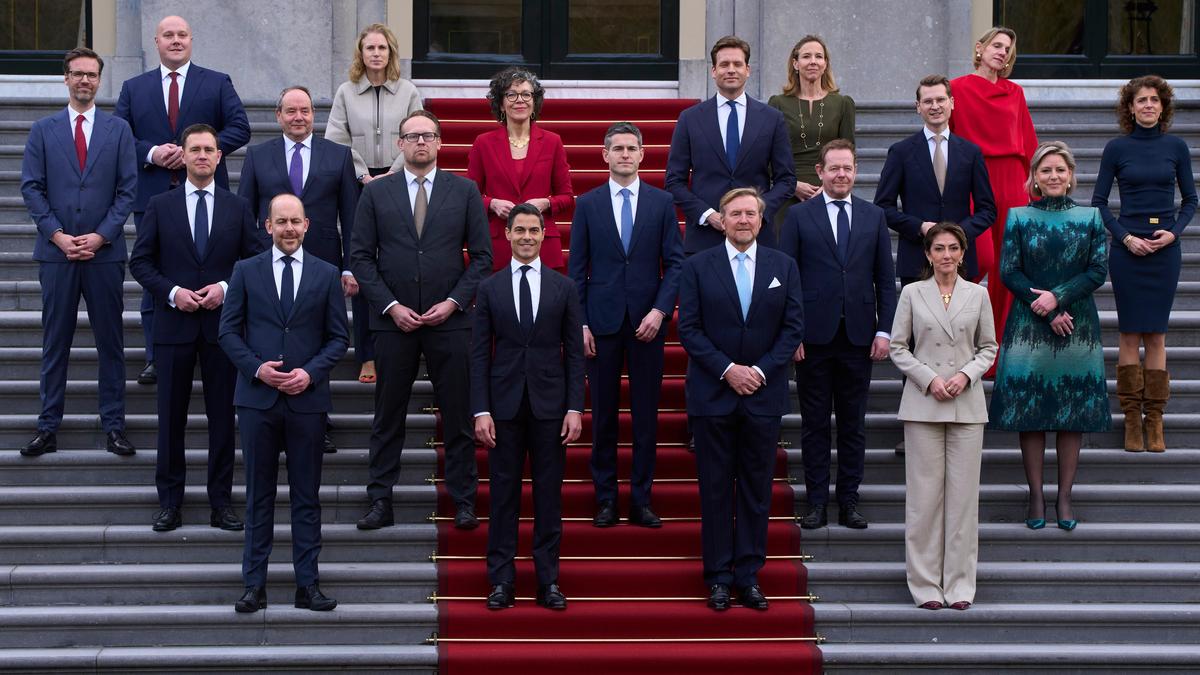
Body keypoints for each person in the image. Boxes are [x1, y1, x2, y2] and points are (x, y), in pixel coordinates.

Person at [349, 111, 492, 531]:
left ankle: (464, 500)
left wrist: (453, 302)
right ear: (400, 144)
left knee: (459, 415)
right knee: (387, 416)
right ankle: (380, 501)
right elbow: (360, 257)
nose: (421, 143)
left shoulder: (465, 191)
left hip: (450, 322)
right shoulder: (376, 194)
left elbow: (481, 258)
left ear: (440, 143)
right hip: (394, 323)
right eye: (412, 137)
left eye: (428, 136)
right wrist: (391, 306)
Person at [129, 123, 265, 533]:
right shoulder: (160, 205)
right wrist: (172, 293)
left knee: (223, 419)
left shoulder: (237, 207)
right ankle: (170, 502)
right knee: (171, 419)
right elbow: (141, 263)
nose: (203, 155)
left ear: (220, 157)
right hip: (173, 328)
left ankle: (220, 502)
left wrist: (225, 287)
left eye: (210, 149)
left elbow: (255, 259)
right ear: (183, 156)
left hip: (223, 331)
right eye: (196, 149)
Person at [220, 194, 349, 614]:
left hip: (307, 402)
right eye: (282, 221)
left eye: (296, 221)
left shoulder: (327, 273)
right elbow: (228, 333)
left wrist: (309, 373)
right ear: (267, 225)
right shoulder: (245, 271)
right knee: (258, 495)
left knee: (306, 497)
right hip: (258, 401)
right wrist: (259, 370)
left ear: (307, 225)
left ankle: (307, 585)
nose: (289, 228)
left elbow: (338, 338)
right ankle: (253, 585)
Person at [677, 187, 804, 612]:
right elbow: (689, 329)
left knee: (755, 490)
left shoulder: (783, 266)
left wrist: (761, 372)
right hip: (713, 395)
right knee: (714, 490)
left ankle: (748, 575)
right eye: (735, 214)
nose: (744, 220)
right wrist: (728, 370)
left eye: (751, 213)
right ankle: (717, 577)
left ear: (762, 220)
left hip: (763, 396)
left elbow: (792, 329)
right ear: (723, 220)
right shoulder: (696, 266)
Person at [115, 15, 251, 386]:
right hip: (153, 194)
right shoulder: (133, 87)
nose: (176, 41)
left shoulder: (217, 82)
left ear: (192, 40)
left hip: (209, 194)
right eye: (168, 35)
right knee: (154, 274)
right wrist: (154, 153)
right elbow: (119, 135)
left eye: (182, 35)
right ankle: (156, 356)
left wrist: (200, 152)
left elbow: (240, 127)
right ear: (156, 42)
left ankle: (217, 345)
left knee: (211, 267)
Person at [19, 47, 137, 458]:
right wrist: (58, 236)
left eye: (91, 74)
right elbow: (31, 187)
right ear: (65, 79)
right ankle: (47, 426)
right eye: (77, 74)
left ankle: (115, 426)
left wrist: (101, 236)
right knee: (55, 343)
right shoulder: (43, 130)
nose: (84, 80)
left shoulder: (118, 130)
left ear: (99, 80)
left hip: (104, 256)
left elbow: (127, 190)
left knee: (111, 343)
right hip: (57, 255)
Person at [569, 122, 684, 528]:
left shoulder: (661, 202)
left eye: (630, 148)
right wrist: (580, 323)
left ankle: (641, 499)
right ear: (605, 155)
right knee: (602, 416)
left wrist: (659, 311)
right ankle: (605, 499)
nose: (623, 154)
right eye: (616, 148)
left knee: (645, 417)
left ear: (642, 154)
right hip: (599, 325)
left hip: (647, 324)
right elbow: (576, 268)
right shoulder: (588, 204)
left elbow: (675, 264)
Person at [989, 141, 1108, 532]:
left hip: (1078, 324)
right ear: (1034, 178)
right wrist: (1046, 306)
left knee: (1072, 412)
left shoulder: (1090, 217)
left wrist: (1059, 298)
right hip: (1029, 323)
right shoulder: (1019, 217)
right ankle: (1037, 493)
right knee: (1032, 412)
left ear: (1071, 175)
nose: (1053, 176)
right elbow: (1009, 271)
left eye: (1060, 170)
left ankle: (1065, 496)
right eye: (1046, 171)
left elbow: (1097, 270)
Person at [778, 139, 896, 531]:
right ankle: (815, 503)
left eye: (847, 168)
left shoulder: (873, 216)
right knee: (813, 424)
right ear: (821, 172)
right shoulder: (797, 216)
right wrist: (790, 333)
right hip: (812, 336)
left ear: (855, 170)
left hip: (860, 336)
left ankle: (849, 501)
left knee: (852, 423)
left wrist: (884, 330)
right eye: (834, 168)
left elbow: (884, 279)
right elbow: (786, 279)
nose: (841, 174)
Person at [472, 203, 585, 611]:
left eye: (533, 230)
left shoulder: (564, 288)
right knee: (502, 497)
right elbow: (479, 355)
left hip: (551, 408)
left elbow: (574, 353)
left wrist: (575, 407)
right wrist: (480, 410)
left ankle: (548, 581)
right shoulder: (488, 288)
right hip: (501, 409)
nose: (525, 237)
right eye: (518, 230)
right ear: (506, 235)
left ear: (543, 234)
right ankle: (501, 581)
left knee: (548, 498)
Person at [238, 85, 359, 453]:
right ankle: (269, 414)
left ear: (314, 115)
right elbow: (245, 215)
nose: (298, 117)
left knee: (316, 338)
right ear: (278, 116)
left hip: (322, 268)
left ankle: (316, 419)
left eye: (305, 110)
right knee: (278, 334)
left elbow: (351, 216)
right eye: (290, 111)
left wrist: (350, 267)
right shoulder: (258, 156)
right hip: (268, 267)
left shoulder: (338, 156)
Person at [889, 222, 997, 611]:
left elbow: (989, 347)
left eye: (953, 248)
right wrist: (929, 379)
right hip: (924, 404)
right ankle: (925, 586)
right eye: (939, 248)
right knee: (924, 500)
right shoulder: (912, 294)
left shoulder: (978, 295)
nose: (946, 255)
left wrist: (966, 375)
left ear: (963, 254)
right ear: (928, 254)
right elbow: (899, 347)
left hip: (966, 405)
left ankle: (960, 585)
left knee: (963, 500)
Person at [1092, 75, 1197, 453]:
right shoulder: (1116, 148)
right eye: (1141, 100)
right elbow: (1100, 203)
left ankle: (1155, 420)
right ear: (1130, 107)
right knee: (1128, 334)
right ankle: (1131, 420)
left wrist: (1173, 233)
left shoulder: (1177, 147)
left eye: (1154, 99)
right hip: (1128, 251)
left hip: (1165, 251)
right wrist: (1124, 237)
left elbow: (1190, 201)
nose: (1148, 105)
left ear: (1163, 106)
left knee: (1156, 335)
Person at [324, 23, 424, 384]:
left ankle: (403, 346)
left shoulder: (408, 91)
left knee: (398, 259)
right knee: (362, 266)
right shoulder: (346, 92)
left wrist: (393, 174)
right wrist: (365, 175)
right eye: (370, 48)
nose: (376, 54)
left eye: (382, 47)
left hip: (401, 179)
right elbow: (336, 138)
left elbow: (419, 131)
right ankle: (367, 354)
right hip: (357, 183)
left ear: (391, 52)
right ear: (361, 54)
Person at [949, 26, 1037, 361]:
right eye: (996, 46)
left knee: (1009, 263)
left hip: (1013, 179)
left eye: (1008, 49)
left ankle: (999, 351)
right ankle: (960, 339)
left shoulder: (1015, 92)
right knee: (978, 258)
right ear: (980, 48)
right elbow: (949, 135)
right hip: (975, 175)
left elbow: (1028, 140)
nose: (1002, 52)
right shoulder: (956, 88)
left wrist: (1034, 187)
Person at [666, 36, 796, 253]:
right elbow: (674, 181)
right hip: (705, 238)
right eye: (724, 64)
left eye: (737, 64)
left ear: (748, 70)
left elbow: (787, 179)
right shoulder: (690, 119)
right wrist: (708, 215)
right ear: (714, 71)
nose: (731, 70)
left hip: (757, 238)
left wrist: (756, 212)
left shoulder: (772, 119)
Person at [875, 75, 996, 286]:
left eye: (940, 100)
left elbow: (987, 210)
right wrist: (919, 226)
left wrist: (958, 234)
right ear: (918, 107)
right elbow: (882, 207)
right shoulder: (900, 152)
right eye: (928, 101)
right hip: (916, 259)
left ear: (952, 103)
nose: (935, 106)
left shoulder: (971, 152)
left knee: (961, 320)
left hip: (961, 260)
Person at [467, 67, 572, 272]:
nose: (519, 100)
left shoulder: (552, 142)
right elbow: (470, 195)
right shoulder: (483, 143)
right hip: (499, 242)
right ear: (501, 104)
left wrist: (546, 203)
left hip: (543, 242)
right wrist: (492, 203)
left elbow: (567, 197)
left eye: (526, 94)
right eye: (511, 94)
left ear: (534, 103)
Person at [767, 35, 856, 224]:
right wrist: (791, 186)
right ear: (796, 63)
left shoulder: (842, 103)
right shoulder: (777, 103)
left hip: (829, 191)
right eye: (806, 56)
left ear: (825, 64)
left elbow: (848, 152)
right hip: (787, 192)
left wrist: (827, 186)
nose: (813, 62)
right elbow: (768, 154)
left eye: (819, 56)